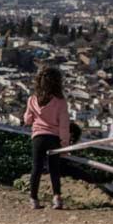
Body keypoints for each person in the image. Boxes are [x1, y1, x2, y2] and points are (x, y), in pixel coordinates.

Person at [22, 66, 70, 210]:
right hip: (53, 138)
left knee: (36, 168)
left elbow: (27, 120)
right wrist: (65, 144)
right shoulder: (60, 102)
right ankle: (57, 198)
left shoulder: (32, 100)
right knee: (54, 168)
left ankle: (33, 199)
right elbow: (64, 125)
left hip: (37, 137)